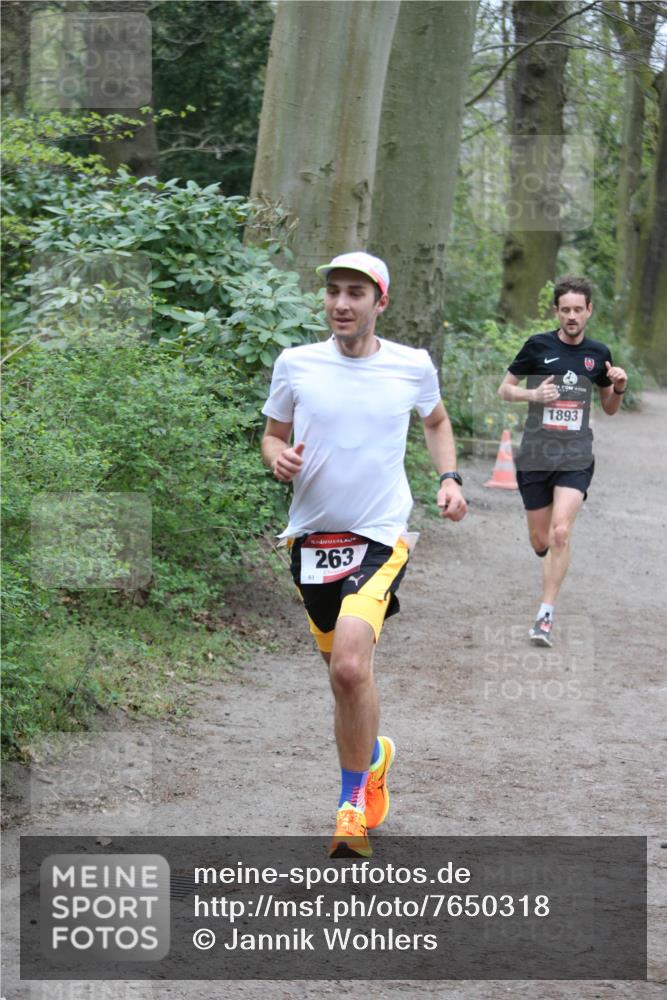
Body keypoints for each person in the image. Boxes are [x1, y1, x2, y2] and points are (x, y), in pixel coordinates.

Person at [261, 251, 467, 857]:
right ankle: (374, 757)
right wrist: (278, 458)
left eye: (355, 293)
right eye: (333, 292)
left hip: (381, 534)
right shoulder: (296, 363)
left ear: (381, 302)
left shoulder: (411, 366)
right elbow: (271, 435)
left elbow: (435, 420)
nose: (341, 304)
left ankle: (351, 808)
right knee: (342, 679)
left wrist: (449, 477)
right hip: (310, 540)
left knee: (352, 665)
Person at [498, 274, 627, 647]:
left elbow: (609, 408)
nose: (571, 316)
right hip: (536, 455)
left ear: (589, 311)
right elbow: (504, 389)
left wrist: (618, 386)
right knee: (541, 540)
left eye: (578, 310)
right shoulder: (537, 346)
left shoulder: (599, 355)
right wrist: (533, 395)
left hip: (575, 455)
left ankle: (545, 615)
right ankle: (546, 555)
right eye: (565, 309)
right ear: (556, 311)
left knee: (560, 533)